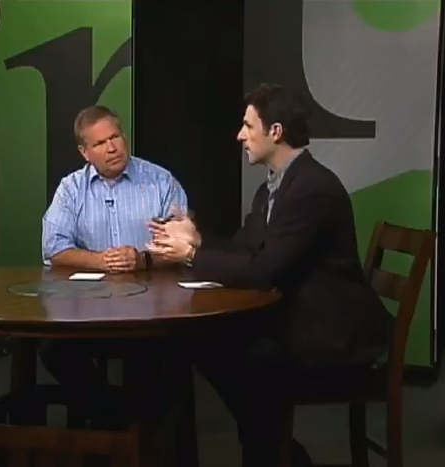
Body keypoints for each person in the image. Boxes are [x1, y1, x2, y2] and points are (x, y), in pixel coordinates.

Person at [148, 84, 393, 467]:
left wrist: (192, 254)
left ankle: (269, 449)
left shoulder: (312, 189)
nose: (239, 135)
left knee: (249, 357)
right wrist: (196, 237)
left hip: (328, 330)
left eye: (248, 125)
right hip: (299, 316)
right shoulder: (271, 190)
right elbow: (244, 248)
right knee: (197, 340)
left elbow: (264, 271)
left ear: (275, 131)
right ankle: (274, 448)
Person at [39, 105, 189, 428]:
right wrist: (100, 260)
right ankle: (113, 417)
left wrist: (141, 259)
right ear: (84, 152)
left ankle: (138, 435)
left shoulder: (160, 182)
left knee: (150, 352)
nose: (112, 148)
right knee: (52, 349)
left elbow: (186, 243)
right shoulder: (71, 190)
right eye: (100, 143)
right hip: (89, 311)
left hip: (151, 311)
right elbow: (54, 247)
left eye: (116, 137)